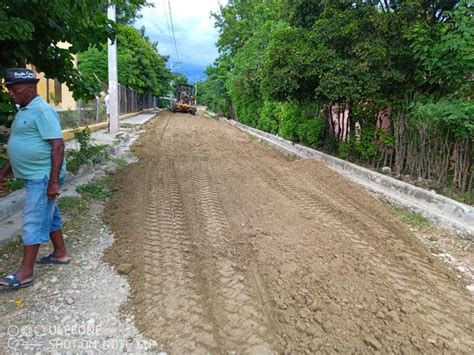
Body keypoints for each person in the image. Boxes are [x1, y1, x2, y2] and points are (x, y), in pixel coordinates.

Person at [0, 68, 70, 291]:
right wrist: (3, 172)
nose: (10, 92)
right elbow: (21, 143)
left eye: (15, 88)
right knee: (49, 215)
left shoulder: (42, 111)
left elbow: (58, 146)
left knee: (33, 220)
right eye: (9, 88)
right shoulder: (24, 110)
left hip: (43, 176)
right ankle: (60, 253)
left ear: (31, 88)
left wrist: (54, 182)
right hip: (35, 176)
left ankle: (25, 273)